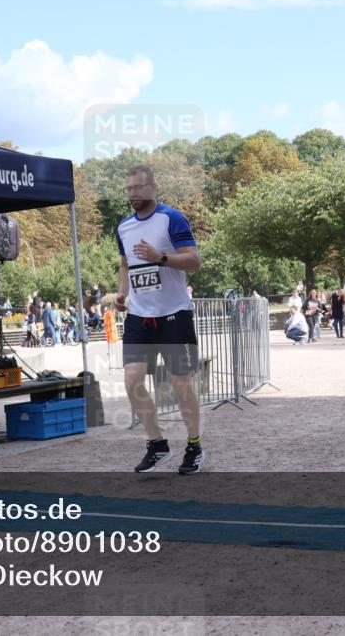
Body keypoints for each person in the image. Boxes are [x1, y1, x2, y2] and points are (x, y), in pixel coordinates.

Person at [114, 164, 203, 474]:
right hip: (139, 316)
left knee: (180, 384)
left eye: (138, 188)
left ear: (153, 187)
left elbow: (194, 261)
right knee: (132, 380)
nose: (133, 194)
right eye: (128, 189)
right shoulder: (123, 226)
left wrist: (161, 258)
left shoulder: (171, 218)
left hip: (174, 314)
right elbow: (125, 265)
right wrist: (121, 294)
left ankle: (194, 446)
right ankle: (157, 444)